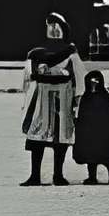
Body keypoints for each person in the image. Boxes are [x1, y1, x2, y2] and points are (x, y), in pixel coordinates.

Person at [20, 11, 83, 185]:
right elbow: (29, 76)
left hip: (63, 99)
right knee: (37, 138)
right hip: (42, 99)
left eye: (57, 26)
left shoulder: (71, 52)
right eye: (50, 26)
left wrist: (77, 99)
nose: (54, 30)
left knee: (61, 140)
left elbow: (78, 77)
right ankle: (35, 176)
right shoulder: (36, 53)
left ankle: (58, 175)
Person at [74, 70, 109, 186]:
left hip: (105, 137)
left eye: (96, 82)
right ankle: (92, 178)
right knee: (91, 160)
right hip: (91, 136)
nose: (94, 85)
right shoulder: (86, 98)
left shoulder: (104, 97)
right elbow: (82, 116)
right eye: (91, 82)